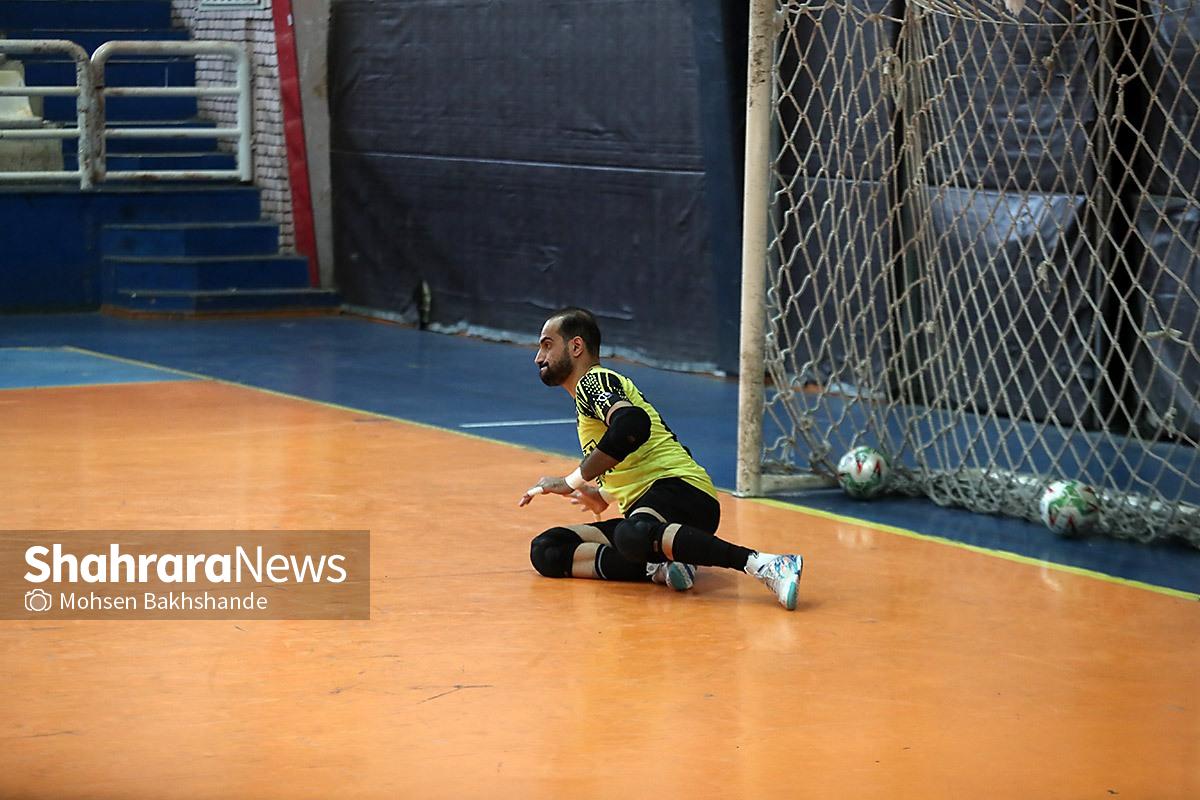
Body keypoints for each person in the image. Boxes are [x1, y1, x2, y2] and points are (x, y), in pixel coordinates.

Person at [518, 307, 804, 610]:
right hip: (651, 512)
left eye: (547, 345)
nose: (538, 357)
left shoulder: (593, 381)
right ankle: (665, 564)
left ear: (576, 346)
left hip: (684, 493)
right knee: (548, 549)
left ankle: (765, 564)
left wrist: (571, 481)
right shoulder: (585, 400)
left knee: (631, 535)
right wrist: (602, 495)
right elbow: (631, 455)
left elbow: (632, 425)